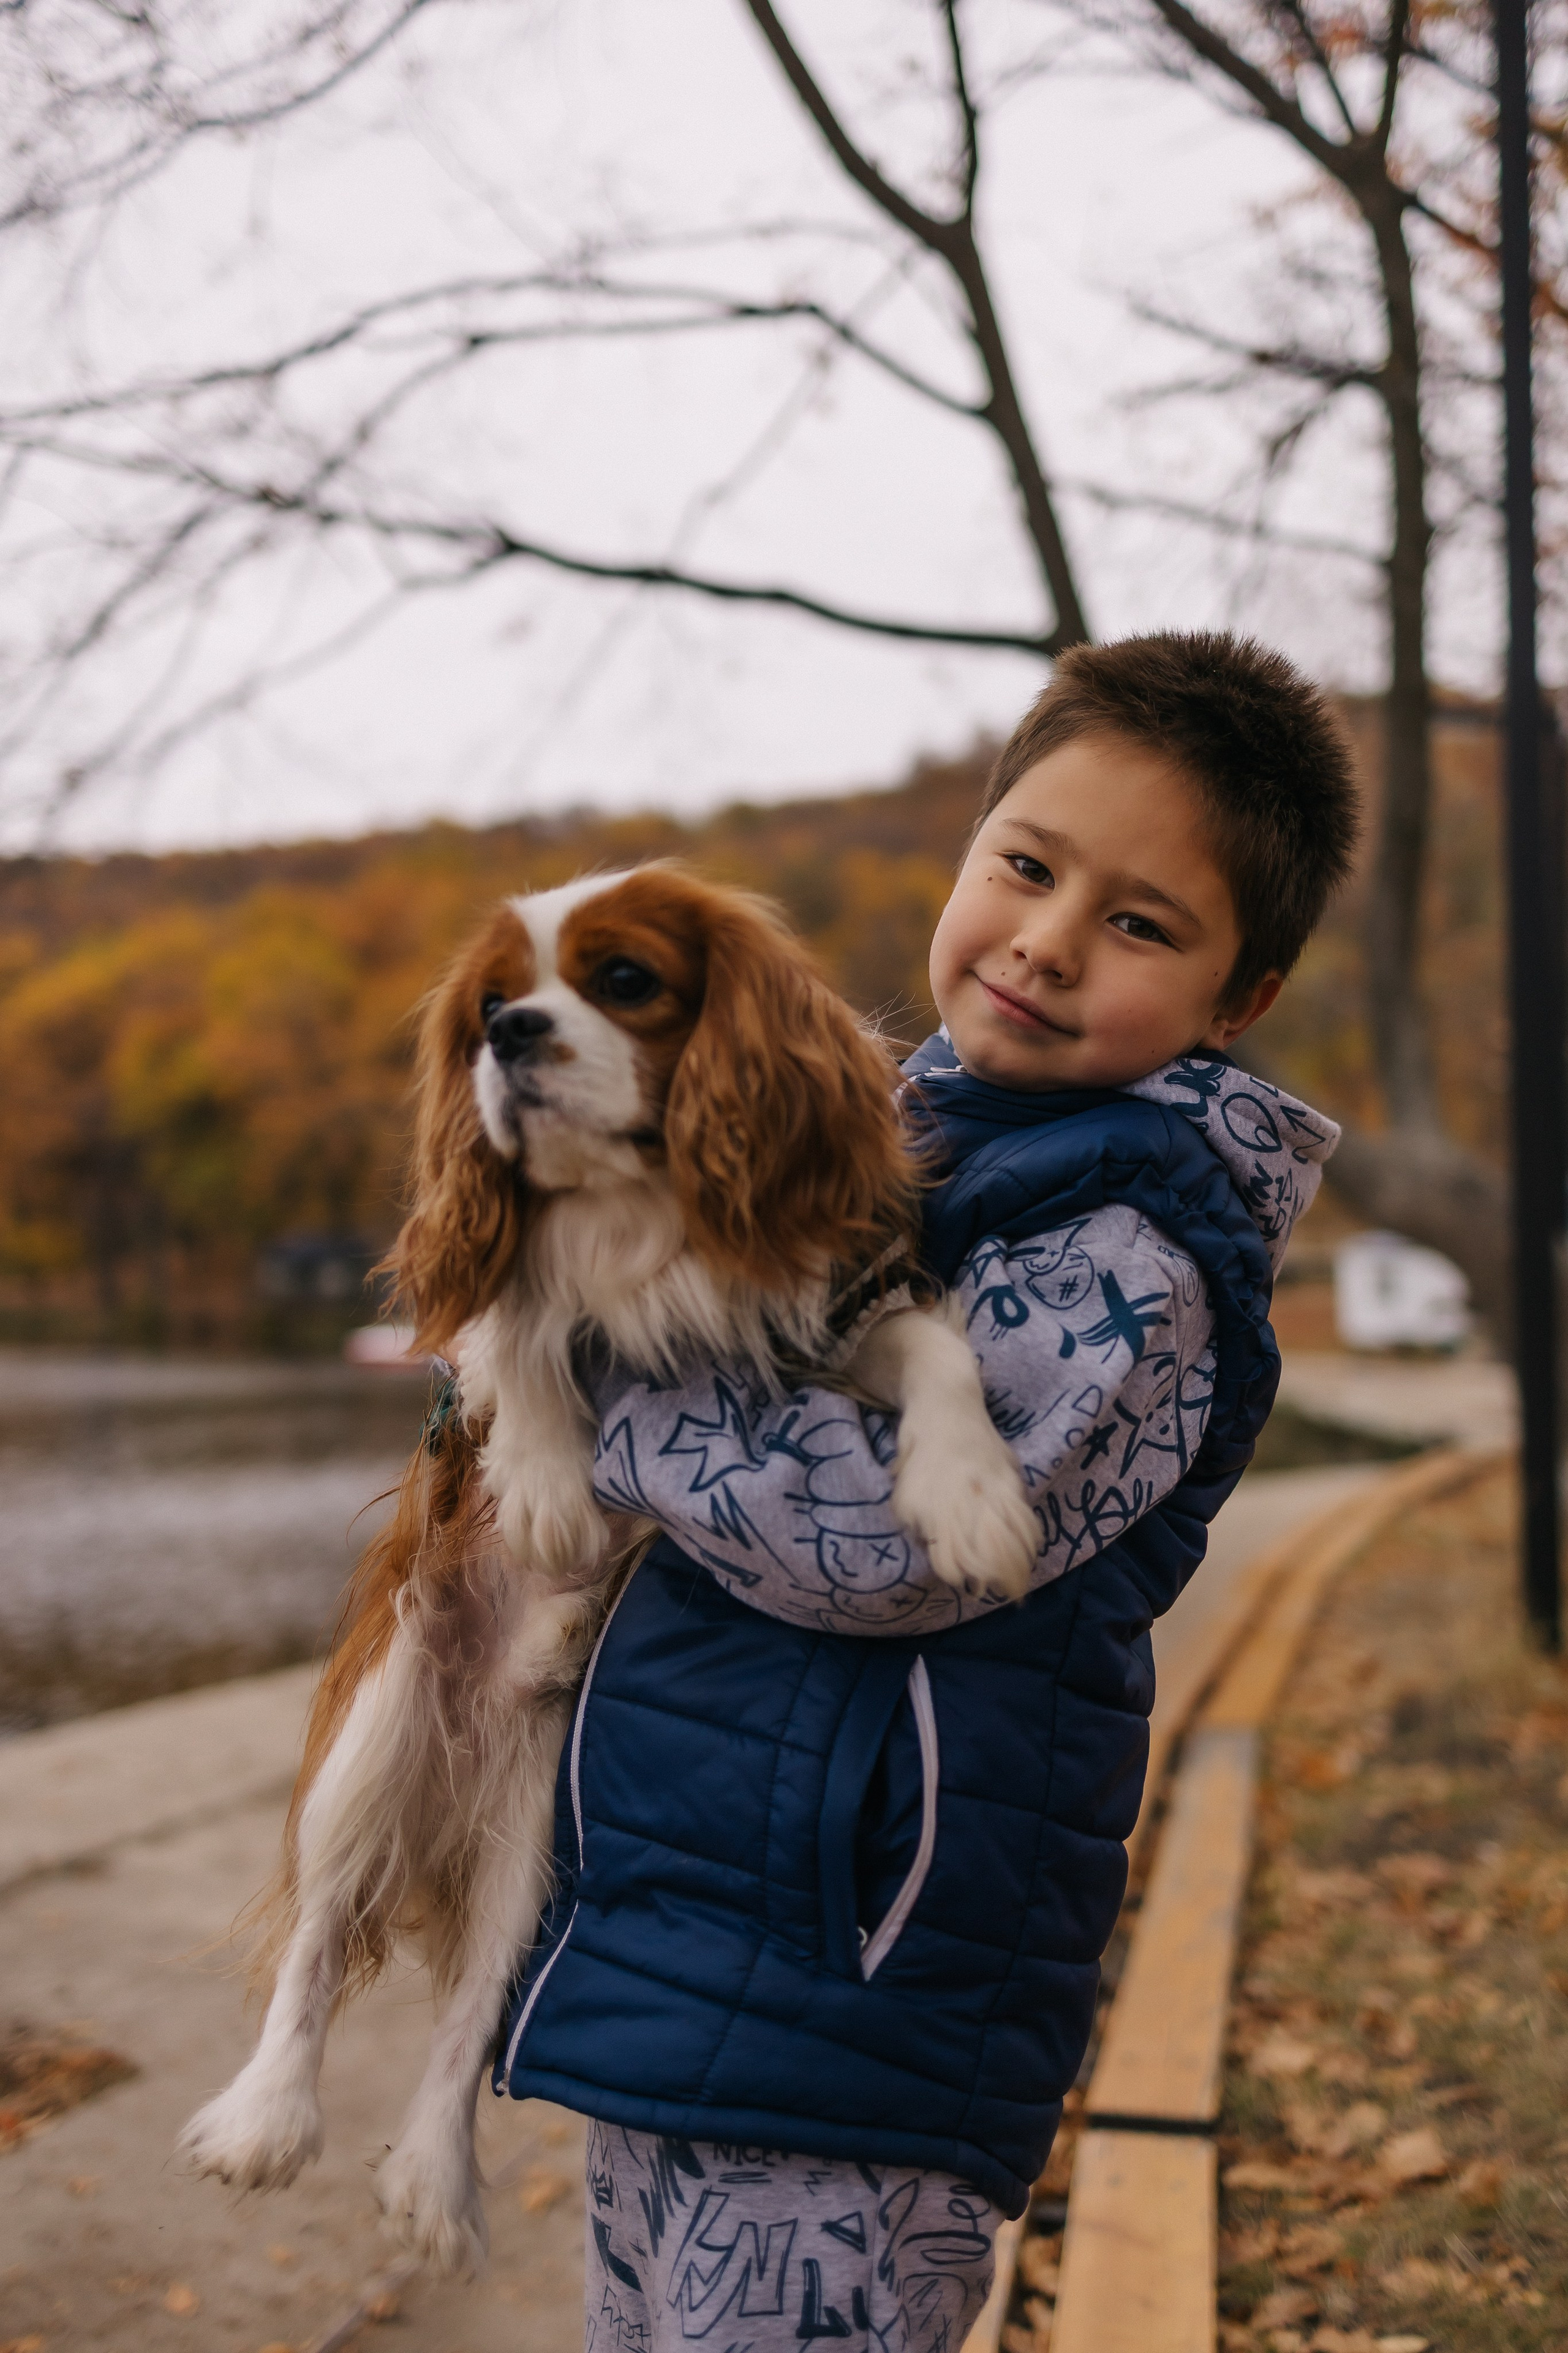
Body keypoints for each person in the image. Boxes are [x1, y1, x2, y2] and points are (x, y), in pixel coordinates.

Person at [494, 632, 1357, 2353]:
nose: (1044, 939)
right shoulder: (874, 1137)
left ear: (1234, 997)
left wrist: (602, 1396)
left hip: (869, 2007)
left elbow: (882, 1548)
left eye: (1138, 921)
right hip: (688, 1944)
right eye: (1025, 866)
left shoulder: (1140, 1247)